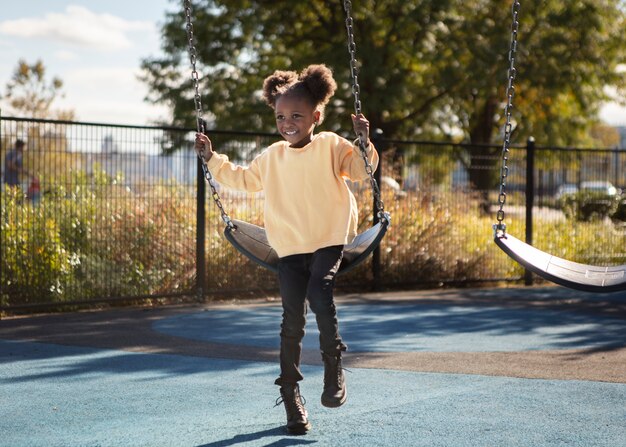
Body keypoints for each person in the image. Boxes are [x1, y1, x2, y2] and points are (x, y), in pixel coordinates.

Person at [194, 64, 379, 435]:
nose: (287, 122)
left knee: (319, 291)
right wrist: (212, 158)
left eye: (296, 115)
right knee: (291, 319)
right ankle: (292, 397)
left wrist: (364, 141)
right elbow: (242, 180)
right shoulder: (272, 156)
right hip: (289, 245)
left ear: (316, 116)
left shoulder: (330, 145)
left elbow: (362, 170)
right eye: (281, 116)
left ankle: (333, 368)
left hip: (329, 239)